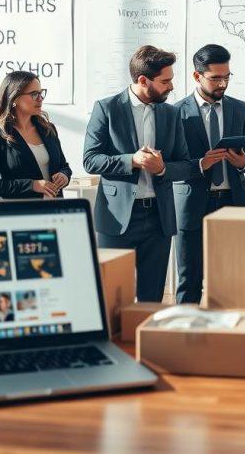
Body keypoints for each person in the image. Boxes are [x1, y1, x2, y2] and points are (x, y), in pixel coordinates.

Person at [83, 45, 194, 302]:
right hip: (117, 217)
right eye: (165, 81)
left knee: (151, 299)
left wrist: (163, 168)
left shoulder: (171, 112)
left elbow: (186, 164)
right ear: (143, 80)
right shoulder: (107, 108)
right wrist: (131, 160)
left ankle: (145, 342)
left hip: (158, 217)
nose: (172, 86)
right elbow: (91, 160)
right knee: (109, 296)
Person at [172, 44, 245, 304]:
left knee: (234, 277)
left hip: (232, 203)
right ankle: (184, 336)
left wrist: (243, 161)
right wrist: (199, 164)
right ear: (197, 76)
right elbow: (169, 164)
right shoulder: (176, 112)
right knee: (189, 279)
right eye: (215, 78)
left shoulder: (240, 108)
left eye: (227, 77)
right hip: (191, 204)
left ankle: (232, 336)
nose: (222, 83)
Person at [0, 71, 72, 200]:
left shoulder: (48, 129)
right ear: (15, 97)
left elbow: (64, 166)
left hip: (55, 211)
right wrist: (32, 185)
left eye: (41, 93)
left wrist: (64, 175)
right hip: (21, 213)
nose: (40, 99)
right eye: (34, 94)